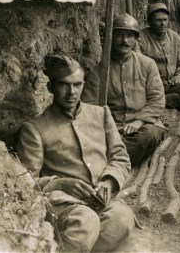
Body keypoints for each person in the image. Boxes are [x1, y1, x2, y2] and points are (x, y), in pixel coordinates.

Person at [17, 53, 134, 252]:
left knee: (122, 220)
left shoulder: (100, 114)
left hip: (99, 197)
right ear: (51, 88)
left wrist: (108, 183)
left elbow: (120, 157)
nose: (72, 92)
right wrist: (61, 183)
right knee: (86, 222)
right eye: (64, 85)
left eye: (77, 85)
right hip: (62, 202)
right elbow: (26, 180)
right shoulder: (34, 129)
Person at [83, 14, 166, 167]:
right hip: (112, 127)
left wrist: (139, 121)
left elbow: (157, 100)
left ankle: (109, 159)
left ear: (135, 39)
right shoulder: (99, 71)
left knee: (149, 136)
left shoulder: (147, 64)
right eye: (119, 35)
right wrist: (108, 129)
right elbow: (89, 106)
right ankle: (116, 156)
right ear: (111, 37)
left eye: (129, 36)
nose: (124, 41)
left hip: (143, 125)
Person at [136, 3, 180, 110]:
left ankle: (155, 101)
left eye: (165, 20)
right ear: (149, 21)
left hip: (170, 85)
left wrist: (179, 77)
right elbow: (137, 67)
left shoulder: (174, 38)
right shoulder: (140, 39)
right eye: (158, 20)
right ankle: (153, 100)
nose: (163, 24)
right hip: (149, 85)